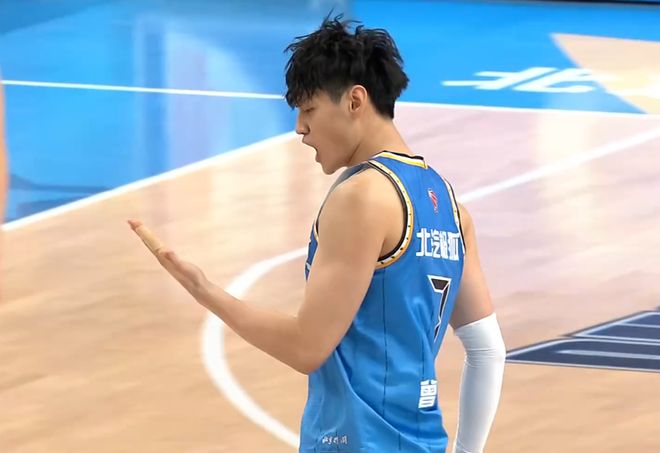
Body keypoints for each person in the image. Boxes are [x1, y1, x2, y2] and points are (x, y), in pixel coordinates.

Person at [130, 16, 506, 453]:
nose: (299, 128)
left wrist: (205, 291)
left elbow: (307, 347)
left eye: (308, 110)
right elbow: (487, 351)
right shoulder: (452, 208)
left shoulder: (362, 197)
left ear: (355, 101)